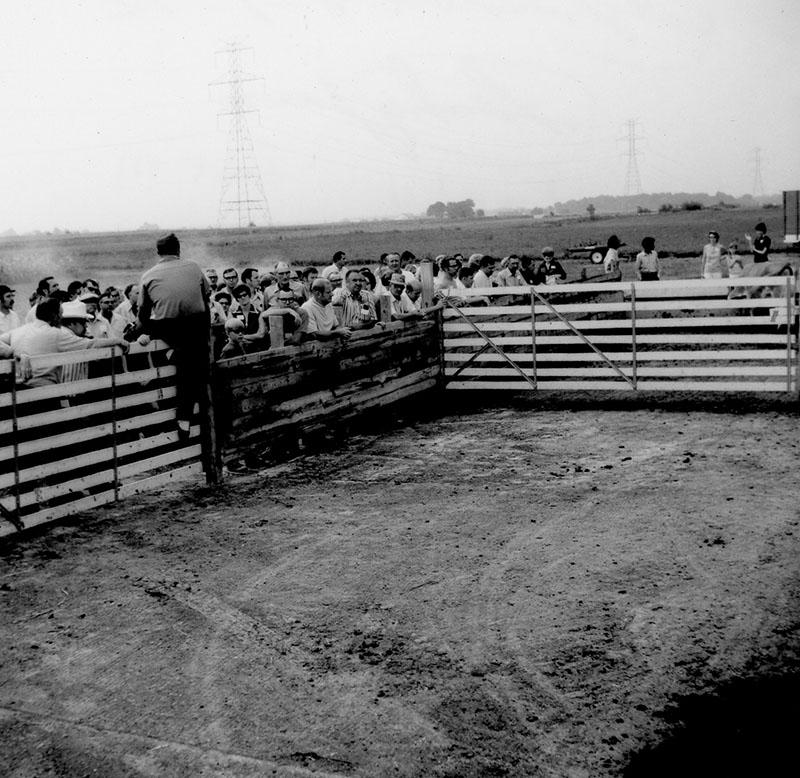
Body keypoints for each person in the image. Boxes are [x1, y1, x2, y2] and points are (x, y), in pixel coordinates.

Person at [137, 233, 210, 439]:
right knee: (196, 366)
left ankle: (174, 356)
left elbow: (143, 312)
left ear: (158, 252)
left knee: (190, 366)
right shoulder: (193, 267)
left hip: (169, 328)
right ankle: (184, 418)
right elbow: (206, 296)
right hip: (196, 326)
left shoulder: (148, 275)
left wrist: (145, 330)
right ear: (178, 250)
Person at [0, 297, 128, 387]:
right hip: (44, 392)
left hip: (18, 391)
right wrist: (116, 340)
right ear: (54, 316)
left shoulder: (19, 331)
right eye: (60, 314)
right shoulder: (56, 334)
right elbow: (90, 344)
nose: (61, 318)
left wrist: (15, 353)